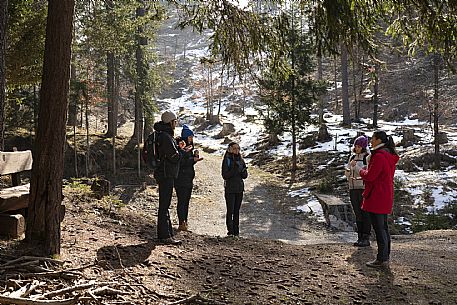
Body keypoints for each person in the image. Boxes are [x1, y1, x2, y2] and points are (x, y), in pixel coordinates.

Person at [351, 131, 399, 268]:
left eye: (372, 138)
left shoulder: (379, 156)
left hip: (377, 195)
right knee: (383, 227)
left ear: (378, 140)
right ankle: (384, 256)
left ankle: (381, 258)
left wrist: (360, 169)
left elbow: (371, 176)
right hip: (384, 194)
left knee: (379, 228)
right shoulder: (388, 154)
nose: (370, 141)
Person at [153, 111, 181, 245]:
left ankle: (167, 233)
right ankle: (164, 236)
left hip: (163, 173)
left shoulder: (162, 134)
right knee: (164, 205)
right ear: (170, 122)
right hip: (166, 174)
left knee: (164, 204)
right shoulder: (166, 136)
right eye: (175, 121)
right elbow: (174, 157)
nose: (176, 124)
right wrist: (181, 151)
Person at [174, 125, 203, 231]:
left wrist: (194, 158)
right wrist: (192, 160)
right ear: (185, 137)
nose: (191, 139)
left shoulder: (189, 147)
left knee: (186, 201)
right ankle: (181, 223)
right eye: (190, 137)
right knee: (182, 201)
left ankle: (185, 223)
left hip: (188, 178)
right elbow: (181, 162)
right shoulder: (180, 146)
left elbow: (188, 163)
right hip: (180, 179)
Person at [346, 135, 371, 247]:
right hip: (352, 188)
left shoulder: (367, 157)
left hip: (363, 188)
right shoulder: (352, 157)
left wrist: (355, 167)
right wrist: (348, 171)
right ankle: (359, 236)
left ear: (364, 147)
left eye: (359, 146)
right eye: (355, 146)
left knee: (365, 213)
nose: (357, 148)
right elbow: (348, 172)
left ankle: (366, 237)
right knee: (357, 213)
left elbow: (366, 173)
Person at [221, 142, 248, 237]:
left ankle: (236, 231)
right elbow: (225, 175)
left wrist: (243, 172)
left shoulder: (241, 160)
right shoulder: (227, 159)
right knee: (230, 210)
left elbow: (245, 176)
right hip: (230, 189)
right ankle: (230, 231)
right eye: (235, 148)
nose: (237, 150)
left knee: (237, 211)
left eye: (238, 148)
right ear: (230, 149)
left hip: (239, 188)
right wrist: (234, 170)